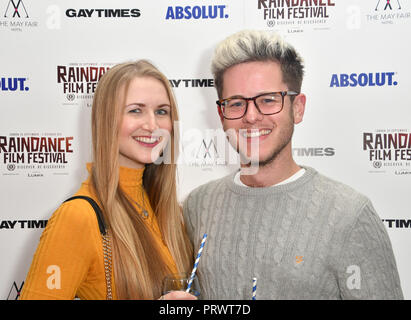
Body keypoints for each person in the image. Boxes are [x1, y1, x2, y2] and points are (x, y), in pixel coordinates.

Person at [183, 30, 404, 299]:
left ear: (297, 108)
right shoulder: (198, 205)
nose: (251, 116)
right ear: (221, 114)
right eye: (237, 103)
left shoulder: (349, 215)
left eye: (267, 100)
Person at [20, 60, 195, 300]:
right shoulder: (77, 217)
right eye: (135, 110)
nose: (153, 125)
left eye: (161, 111)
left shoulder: (169, 212)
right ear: (106, 120)